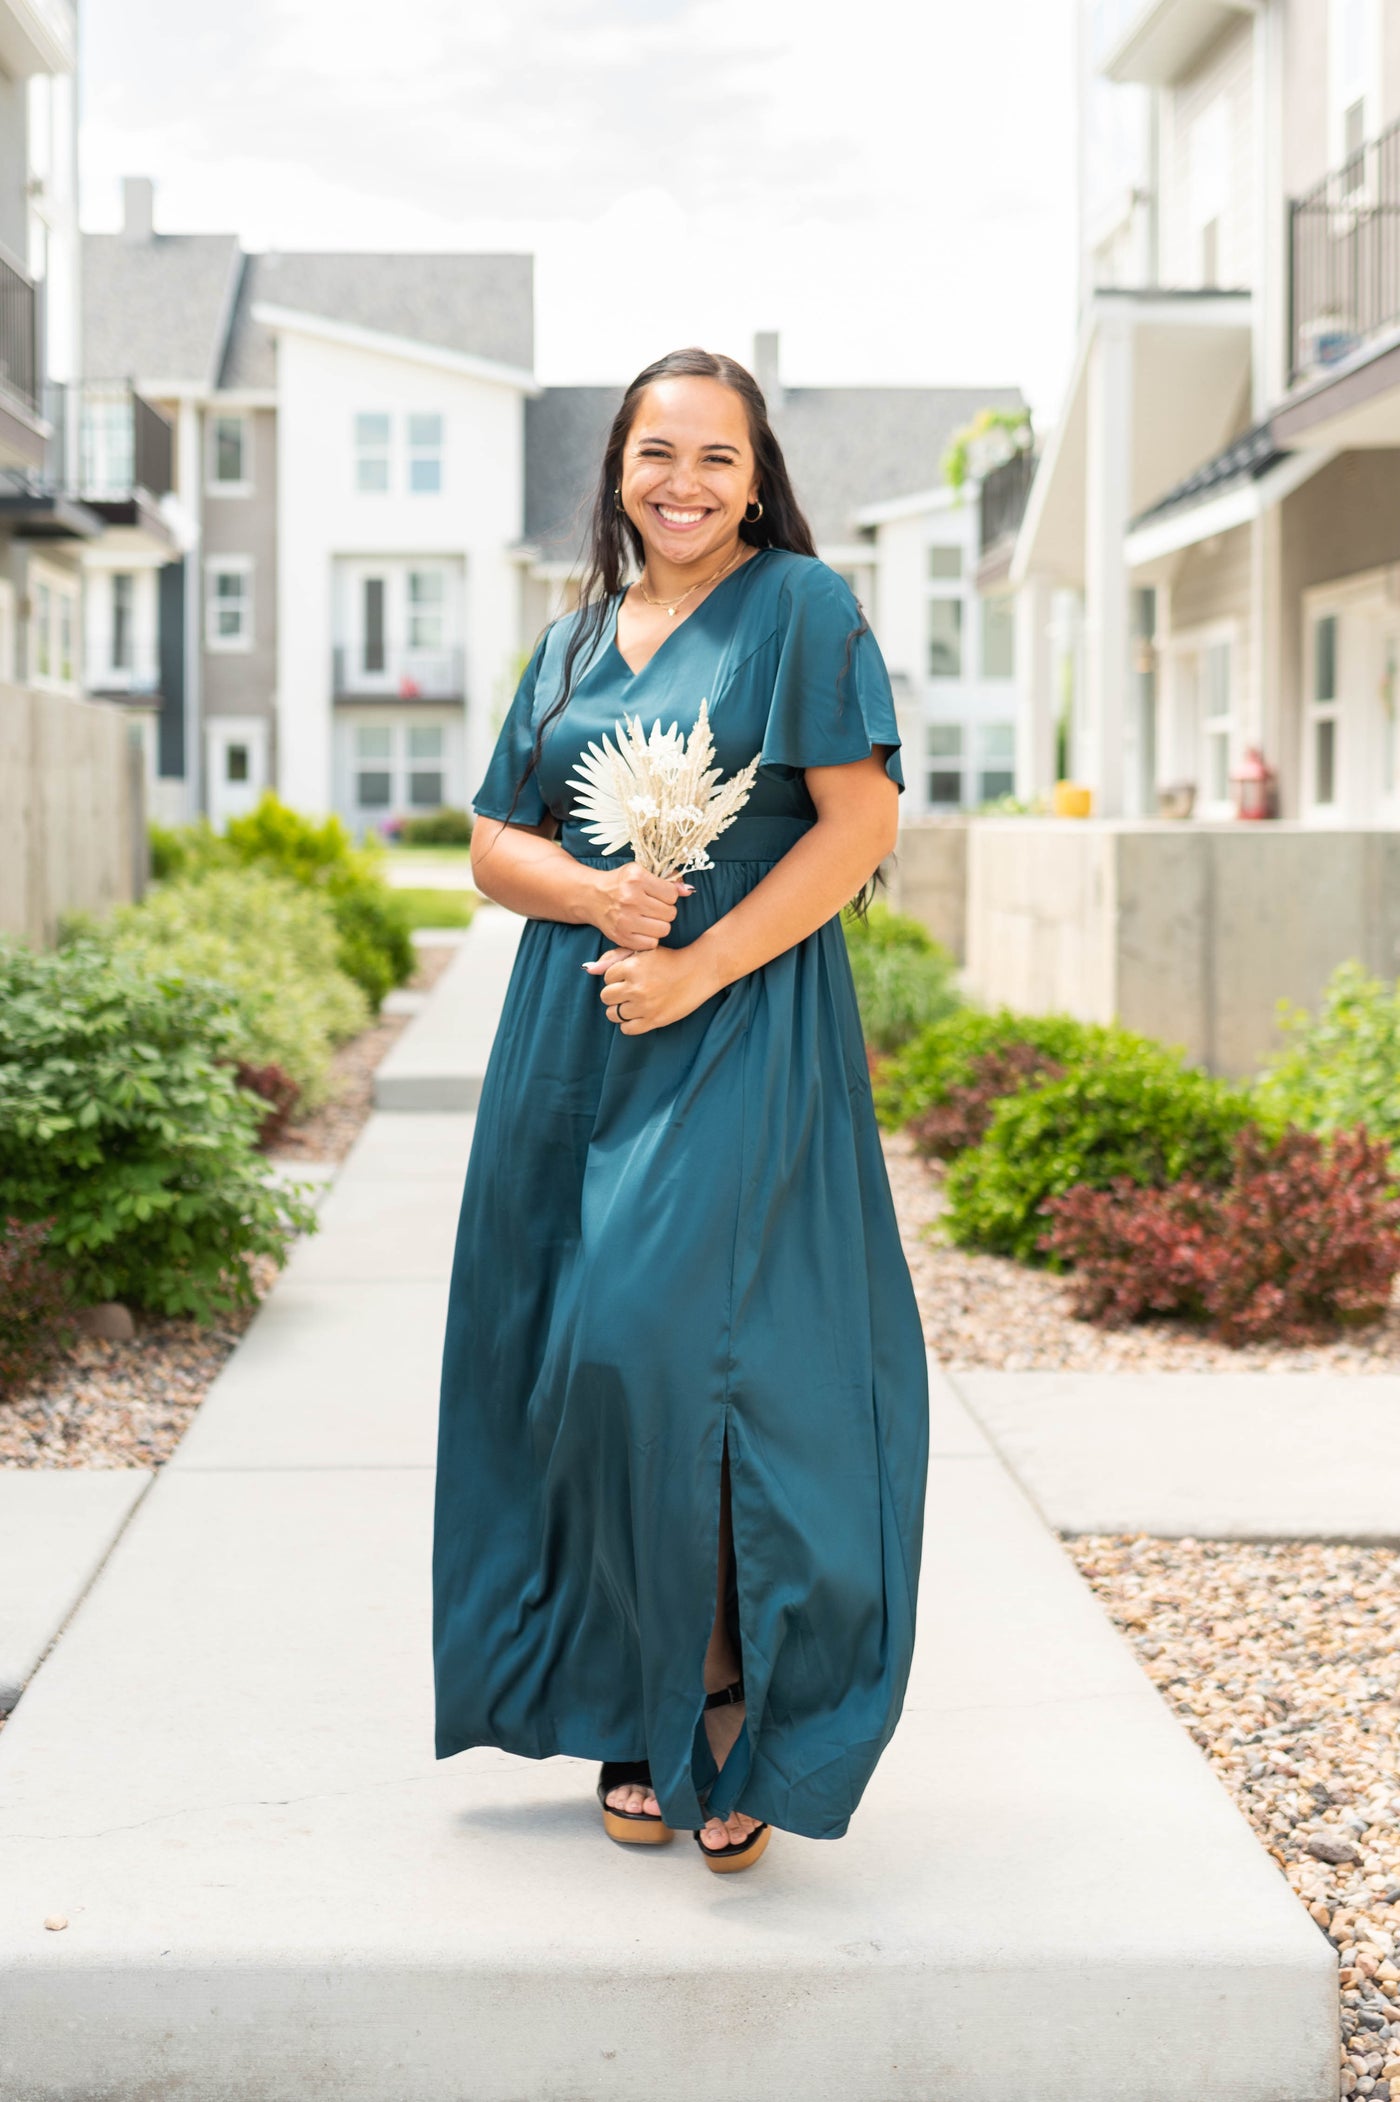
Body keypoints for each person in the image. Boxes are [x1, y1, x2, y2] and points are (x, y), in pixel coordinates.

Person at [433, 346, 929, 1873]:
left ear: (759, 473)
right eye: (659, 453)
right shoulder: (577, 643)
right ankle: (631, 1698)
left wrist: (702, 961)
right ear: (619, 470)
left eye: (718, 456)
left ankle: (734, 1685)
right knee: (578, 1357)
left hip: (741, 1025)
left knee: (681, 1346)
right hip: (574, 1040)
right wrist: (597, 894)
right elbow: (491, 844)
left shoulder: (801, 611)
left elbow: (861, 823)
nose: (685, 483)